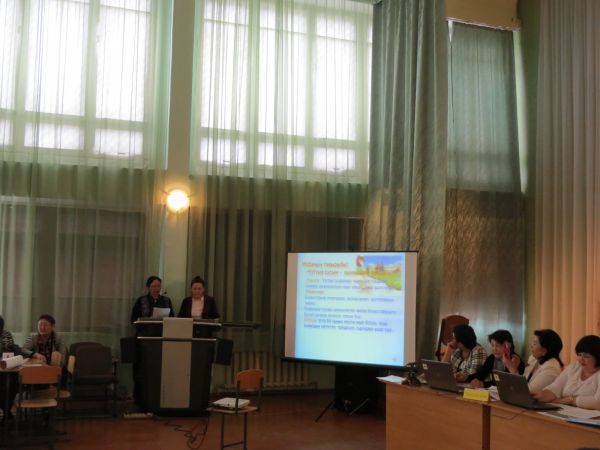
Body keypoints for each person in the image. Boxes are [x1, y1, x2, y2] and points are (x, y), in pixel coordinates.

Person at [533, 335, 600, 409]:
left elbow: (597, 403)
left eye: (586, 356)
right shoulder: (574, 367)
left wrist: (570, 400)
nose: (581, 359)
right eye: (579, 355)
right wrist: (540, 395)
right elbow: (555, 387)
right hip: (565, 411)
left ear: (597, 357)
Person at [523, 329, 563, 393]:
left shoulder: (551, 369)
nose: (531, 346)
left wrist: (513, 370)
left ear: (544, 351)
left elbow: (528, 392)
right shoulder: (533, 359)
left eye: (535, 343)